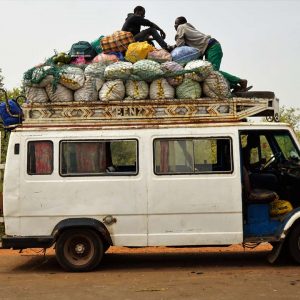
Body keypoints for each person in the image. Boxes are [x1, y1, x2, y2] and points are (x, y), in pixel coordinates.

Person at [173, 16, 252, 92]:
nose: (174, 26)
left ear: (180, 23)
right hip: (210, 48)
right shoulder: (189, 29)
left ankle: (240, 81)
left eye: (175, 24)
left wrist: (172, 48)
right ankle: (235, 87)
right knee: (207, 73)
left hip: (212, 48)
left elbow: (180, 44)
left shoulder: (181, 27)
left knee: (211, 71)